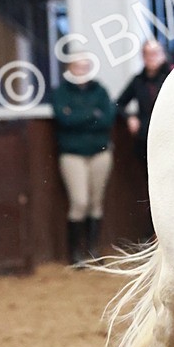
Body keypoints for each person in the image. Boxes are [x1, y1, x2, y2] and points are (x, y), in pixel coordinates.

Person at [51, 57, 115, 266]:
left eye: (85, 67)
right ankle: (75, 254)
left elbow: (107, 118)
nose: (82, 70)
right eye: (77, 66)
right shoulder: (61, 92)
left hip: (100, 153)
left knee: (96, 203)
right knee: (79, 202)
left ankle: (92, 250)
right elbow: (64, 119)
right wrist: (92, 114)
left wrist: (78, 115)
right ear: (70, 69)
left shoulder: (100, 90)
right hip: (72, 154)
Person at [116, 40, 173, 171]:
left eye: (155, 53)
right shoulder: (138, 80)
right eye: (147, 54)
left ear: (162, 54)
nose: (151, 57)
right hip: (146, 139)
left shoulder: (171, 76)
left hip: (169, 136)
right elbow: (118, 103)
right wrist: (129, 117)